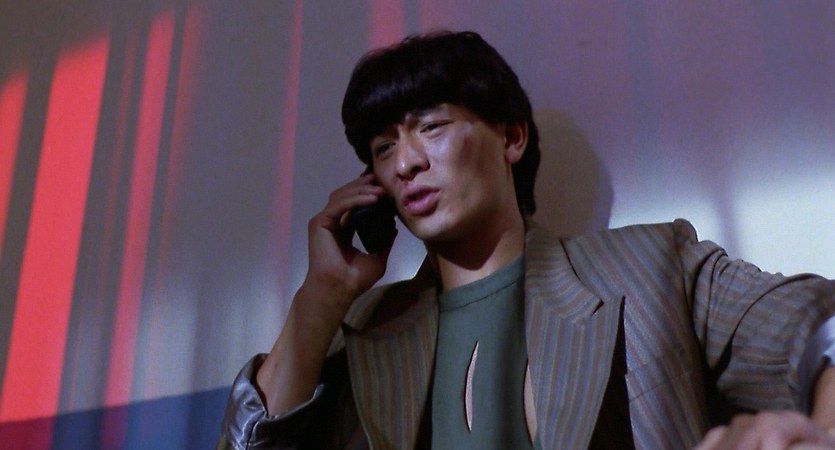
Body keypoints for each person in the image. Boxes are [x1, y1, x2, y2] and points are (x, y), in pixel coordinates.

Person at [218, 31, 835, 449]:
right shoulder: (369, 334)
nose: (405, 163)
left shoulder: (651, 265)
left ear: (511, 137)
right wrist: (321, 298)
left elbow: (818, 323)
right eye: (383, 148)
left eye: (431, 127)